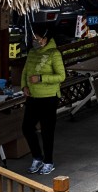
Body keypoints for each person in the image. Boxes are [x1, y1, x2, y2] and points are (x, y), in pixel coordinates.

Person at [21, 26, 66, 175]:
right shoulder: (32, 52)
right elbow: (25, 71)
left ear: (46, 39)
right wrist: (24, 86)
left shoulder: (54, 53)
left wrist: (40, 78)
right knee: (27, 127)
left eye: (38, 38)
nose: (35, 41)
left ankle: (48, 161)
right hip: (33, 97)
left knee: (47, 131)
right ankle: (37, 157)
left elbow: (61, 76)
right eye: (34, 38)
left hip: (49, 97)